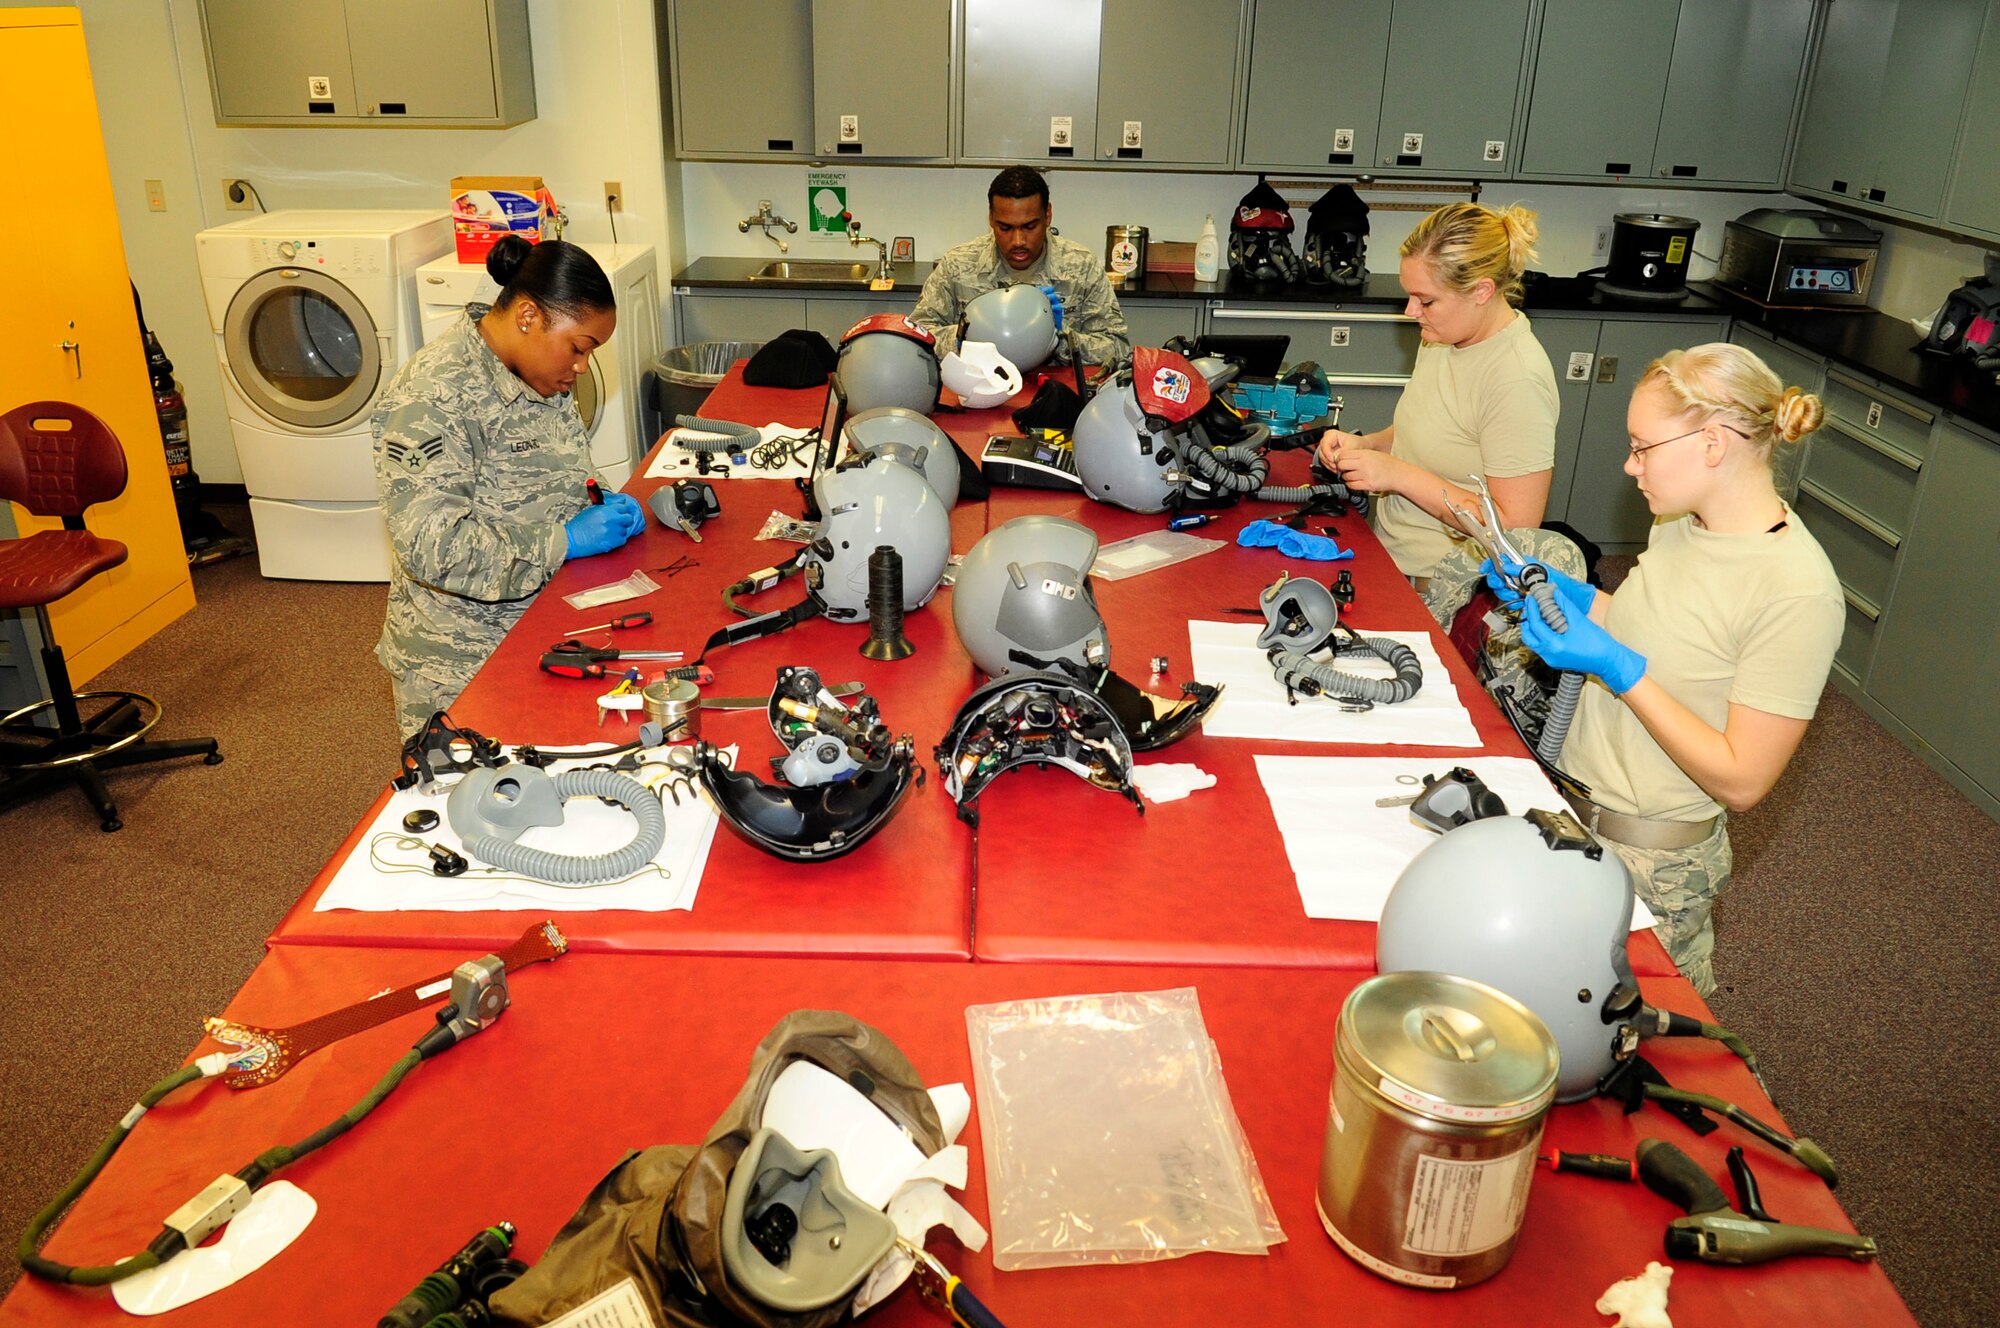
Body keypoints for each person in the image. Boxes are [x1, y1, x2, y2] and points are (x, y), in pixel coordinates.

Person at [1493, 343, 1843, 995]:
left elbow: (1743, 779)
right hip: (1572, 810)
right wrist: (1584, 604)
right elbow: (1661, 632)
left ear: (1713, 443)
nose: (1630, 466)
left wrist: (1622, 671)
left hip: (1654, 866)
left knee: (1641, 1064)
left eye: (1643, 446)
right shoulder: (1680, 521)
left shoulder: (1795, 591)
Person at [374, 236, 646, 738]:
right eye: (579, 348)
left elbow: (556, 465)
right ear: (528, 317)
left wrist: (599, 498)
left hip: (541, 624)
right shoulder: (433, 396)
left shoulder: (538, 368)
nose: (583, 366)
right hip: (461, 662)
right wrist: (565, 539)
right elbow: (432, 546)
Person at [1314, 201, 1558, 585]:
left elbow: (1514, 525)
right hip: (1390, 555)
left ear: (1481, 291)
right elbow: (1427, 430)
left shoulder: (1516, 378)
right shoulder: (1444, 335)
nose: (1412, 312)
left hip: (1448, 582)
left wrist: (1397, 475)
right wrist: (1368, 446)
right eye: (1410, 296)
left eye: (1426, 300)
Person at [911, 166, 1132, 368]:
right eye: (1005, 228)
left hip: (1056, 400)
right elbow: (916, 339)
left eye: (1029, 226)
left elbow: (1117, 349)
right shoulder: (958, 265)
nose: (1018, 240)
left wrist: (1058, 338)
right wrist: (965, 337)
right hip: (976, 398)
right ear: (991, 218)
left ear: (1048, 215)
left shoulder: (1082, 267)